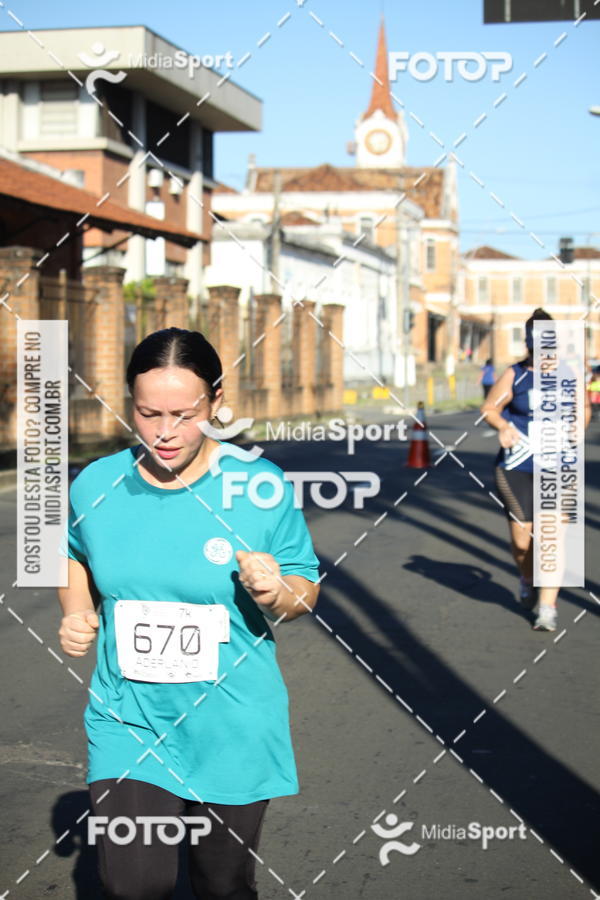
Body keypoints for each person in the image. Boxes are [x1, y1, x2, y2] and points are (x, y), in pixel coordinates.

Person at [57, 327, 320, 900]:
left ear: (217, 403)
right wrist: (77, 611)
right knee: (135, 885)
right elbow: (72, 555)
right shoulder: (97, 484)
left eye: (184, 413)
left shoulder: (259, 488)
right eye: (149, 413)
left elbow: (307, 590)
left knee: (222, 885)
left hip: (231, 723)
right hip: (128, 717)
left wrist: (277, 594)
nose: (165, 431)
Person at [480, 308, 591, 632]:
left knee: (552, 536)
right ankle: (527, 576)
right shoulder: (516, 375)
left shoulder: (570, 373)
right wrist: (502, 425)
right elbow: (490, 407)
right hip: (518, 464)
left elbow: (582, 407)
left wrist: (578, 424)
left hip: (559, 465)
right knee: (523, 540)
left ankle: (547, 607)